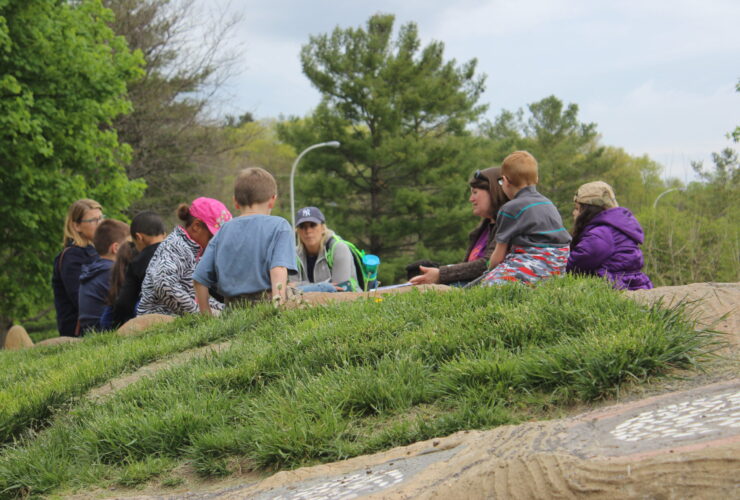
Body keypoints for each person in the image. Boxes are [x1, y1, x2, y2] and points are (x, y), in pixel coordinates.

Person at [193, 167, 296, 311]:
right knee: (312, 293)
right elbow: (278, 268)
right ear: (272, 200)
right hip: (265, 303)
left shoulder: (224, 230)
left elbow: (199, 278)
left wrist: (206, 315)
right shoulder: (280, 226)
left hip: (232, 308)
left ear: (235, 202)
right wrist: (277, 309)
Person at [480, 151, 571, 286]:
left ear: (505, 181)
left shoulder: (509, 209)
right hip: (559, 265)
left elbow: (498, 257)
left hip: (533, 263)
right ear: (537, 179)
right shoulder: (548, 203)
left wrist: (489, 273)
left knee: (488, 284)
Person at [409, 167, 509, 286]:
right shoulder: (482, 230)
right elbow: (469, 269)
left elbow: (487, 264)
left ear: (493, 192)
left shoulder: (506, 226)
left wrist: (441, 274)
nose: (471, 199)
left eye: (475, 192)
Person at [137, 197, 232, 316]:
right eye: (213, 237)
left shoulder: (194, 252)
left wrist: (227, 310)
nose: (217, 243)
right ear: (196, 226)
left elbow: (196, 298)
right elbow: (163, 284)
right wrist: (200, 313)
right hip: (159, 316)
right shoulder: (176, 246)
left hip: (177, 314)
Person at [567, 181, 653, 290]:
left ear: (588, 211)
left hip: (616, 285)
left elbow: (575, 265)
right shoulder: (616, 226)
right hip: (631, 282)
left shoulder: (601, 234)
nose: (573, 213)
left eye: (577, 208)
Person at [52, 199, 104, 336]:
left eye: (101, 218)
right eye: (94, 220)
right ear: (76, 226)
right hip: (80, 332)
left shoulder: (97, 250)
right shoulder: (72, 257)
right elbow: (82, 299)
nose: (100, 224)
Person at [110, 211, 167, 327]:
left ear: (139, 237)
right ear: (164, 234)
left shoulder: (137, 262)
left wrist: (116, 325)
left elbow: (124, 303)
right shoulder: (181, 251)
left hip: (155, 317)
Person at [78, 219, 130, 333]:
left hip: (88, 330)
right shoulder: (110, 272)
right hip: (102, 330)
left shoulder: (96, 269)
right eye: (129, 245)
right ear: (116, 248)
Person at [291, 206, 359, 292]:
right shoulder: (293, 255)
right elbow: (290, 291)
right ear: (297, 231)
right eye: (302, 226)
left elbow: (341, 289)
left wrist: (302, 287)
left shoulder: (338, 248)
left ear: (323, 228)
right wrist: (325, 286)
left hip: (350, 302)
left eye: (313, 225)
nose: (308, 231)